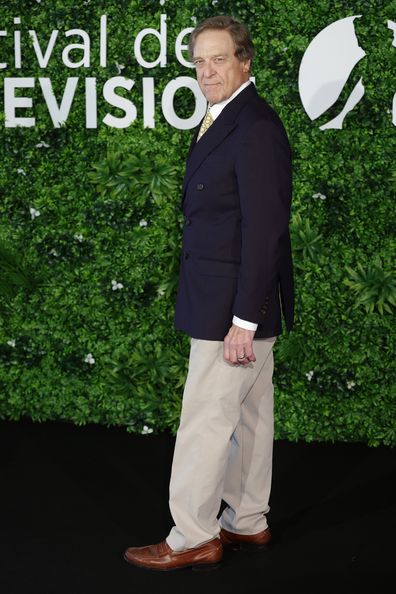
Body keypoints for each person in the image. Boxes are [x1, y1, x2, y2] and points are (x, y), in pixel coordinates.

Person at [124, 14, 294, 571]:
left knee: (204, 417)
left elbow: (266, 229)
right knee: (249, 416)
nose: (207, 72)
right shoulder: (228, 117)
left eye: (218, 59)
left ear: (245, 61)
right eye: (199, 61)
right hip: (236, 298)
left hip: (234, 306)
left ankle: (192, 535)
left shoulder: (256, 126)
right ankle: (246, 520)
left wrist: (244, 318)